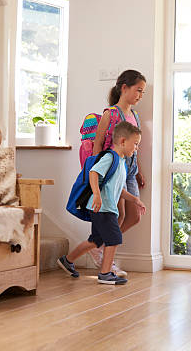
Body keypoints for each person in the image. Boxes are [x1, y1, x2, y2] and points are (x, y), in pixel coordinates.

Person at [57, 121, 145, 285]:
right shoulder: (110, 157)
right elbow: (93, 172)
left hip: (105, 207)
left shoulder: (121, 163)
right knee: (114, 238)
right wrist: (97, 194)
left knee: (95, 241)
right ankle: (105, 273)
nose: (136, 148)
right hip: (102, 207)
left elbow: (118, 189)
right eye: (135, 144)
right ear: (123, 141)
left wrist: (135, 200)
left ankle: (67, 260)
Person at [88, 70, 147, 277]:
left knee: (134, 216)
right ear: (124, 88)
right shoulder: (110, 114)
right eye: (138, 90)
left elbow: (134, 144)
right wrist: (96, 171)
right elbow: (98, 144)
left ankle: (102, 249)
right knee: (119, 215)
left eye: (143, 92)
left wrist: (138, 169)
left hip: (130, 172)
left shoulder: (135, 116)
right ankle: (106, 258)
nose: (140, 95)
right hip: (113, 172)